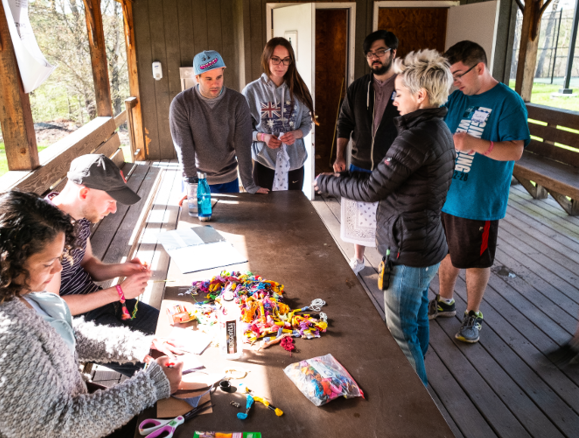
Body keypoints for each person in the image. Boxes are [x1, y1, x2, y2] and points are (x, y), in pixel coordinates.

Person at [0, 190, 182, 438]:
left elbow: (58, 334)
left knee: (171, 431)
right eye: (48, 263)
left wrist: (135, 345)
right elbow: (55, 429)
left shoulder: (5, 289)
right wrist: (150, 385)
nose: (57, 268)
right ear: (8, 260)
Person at [316, 50, 456, 385]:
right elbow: (383, 180)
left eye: (400, 93)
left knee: (401, 335)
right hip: (425, 246)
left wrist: (325, 182)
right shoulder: (436, 128)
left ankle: (418, 406)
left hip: (409, 251)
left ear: (420, 96)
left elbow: (372, 189)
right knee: (418, 319)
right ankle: (423, 387)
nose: (395, 99)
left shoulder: (416, 137)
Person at [430, 41, 530, 344]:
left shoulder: (508, 102)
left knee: (476, 259)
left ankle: (473, 314)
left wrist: (475, 144)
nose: (455, 81)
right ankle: (445, 301)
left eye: (458, 75)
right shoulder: (457, 97)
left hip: (479, 200)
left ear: (480, 68)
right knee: (446, 252)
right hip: (447, 194)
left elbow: (515, 150)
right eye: (451, 76)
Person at [46, 153, 178, 377]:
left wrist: (123, 269)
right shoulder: (46, 233)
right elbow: (55, 307)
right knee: (163, 369)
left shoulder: (80, 214)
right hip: (78, 325)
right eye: (110, 201)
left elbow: (88, 263)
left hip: (100, 301)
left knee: (173, 332)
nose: (114, 209)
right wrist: (119, 292)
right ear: (84, 192)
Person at [333, 30, 400, 275]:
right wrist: (340, 156)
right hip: (360, 163)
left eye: (380, 51)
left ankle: (387, 262)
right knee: (359, 213)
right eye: (370, 53)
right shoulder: (358, 87)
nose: (375, 57)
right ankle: (359, 258)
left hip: (392, 166)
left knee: (389, 216)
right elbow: (344, 122)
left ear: (394, 52)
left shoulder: (406, 86)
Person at [169, 49, 269, 194]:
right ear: (197, 78)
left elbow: (243, 144)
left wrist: (249, 184)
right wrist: (191, 186)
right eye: (208, 79)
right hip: (197, 180)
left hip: (228, 178)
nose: (215, 83)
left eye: (219, 77)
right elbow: (184, 148)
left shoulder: (237, 101)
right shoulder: (181, 103)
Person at [242, 37, 314, 191]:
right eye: (276, 59)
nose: (281, 65)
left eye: (286, 60)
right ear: (266, 58)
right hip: (264, 163)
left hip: (294, 164)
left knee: (293, 212)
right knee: (264, 212)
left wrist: (296, 134)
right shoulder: (251, 91)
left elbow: (308, 123)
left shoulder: (300, 89)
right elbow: (243, 131)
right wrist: (263, 137)